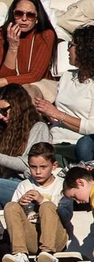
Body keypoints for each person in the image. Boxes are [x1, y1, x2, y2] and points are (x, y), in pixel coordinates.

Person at [0, 0, 60, 105]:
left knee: (27, 92)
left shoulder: (46, 34)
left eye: (30, 15)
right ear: (13, 14)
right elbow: (4, 76)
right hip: (10, 86)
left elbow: (35, 76)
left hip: (39, 85)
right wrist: (12, 47)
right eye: (19, 13)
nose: (24, 18)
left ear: (37, 17)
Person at [1, 144, 67, 262]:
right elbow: (14, 217)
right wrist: (20, 204)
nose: (37, 172)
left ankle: (48, 251)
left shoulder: (62, 185)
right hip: (32, 236)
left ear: (54, 166)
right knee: (11, 206)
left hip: (55, 237)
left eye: (43, 167)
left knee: (47, 206)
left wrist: (42, 200)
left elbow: (66, 217)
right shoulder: (24, 185)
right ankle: (20, 253)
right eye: (33, 167)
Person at [38, 25, 94, 162]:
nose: (68, 49)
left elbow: (92, 127)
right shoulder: (67, 76)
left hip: (81, 144)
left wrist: (57, 114)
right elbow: (57, 117)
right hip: (54, 138)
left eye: (72, 45)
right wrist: (46, 111)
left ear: (85, 50)